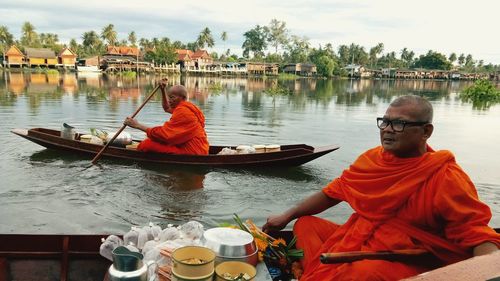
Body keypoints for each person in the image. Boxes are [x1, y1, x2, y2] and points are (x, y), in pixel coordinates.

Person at [262, 95, 500, 281]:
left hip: (407, 258)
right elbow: (332, 193)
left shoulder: (446, 178)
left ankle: (322, 272)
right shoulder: (372, 159)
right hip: (360, 239)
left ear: (426, 131)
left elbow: (476, 235)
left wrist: (485, 268)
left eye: (399, 124)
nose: (387, 129)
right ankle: (320, 271)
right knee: (306, 224)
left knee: (361, 273)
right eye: (385, 121)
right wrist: (288, 215)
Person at [124, 80, 209, 155]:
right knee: (153, 139)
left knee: (146, 144)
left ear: (182, 98)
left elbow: (165, 135)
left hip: (193, 152)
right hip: (198, 148)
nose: (169, 100)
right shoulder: (184, 107)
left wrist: (137, 125)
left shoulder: (183, 112)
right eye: (169, 97)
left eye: (172, 97)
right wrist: (162, 89)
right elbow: (167, 108)